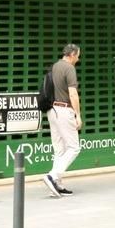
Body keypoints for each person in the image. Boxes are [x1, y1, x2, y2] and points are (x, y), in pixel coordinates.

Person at [43, 44, 82, 198]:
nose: (78, 59)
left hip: (52, 111)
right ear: (72, 54)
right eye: (78, 55)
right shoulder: (69, 68)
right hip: (64, 110)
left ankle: (57, 185)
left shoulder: (54, 66)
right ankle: (52, 176)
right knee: (74, 147)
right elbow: (73, 93)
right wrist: (78, 115)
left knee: (60, 149)